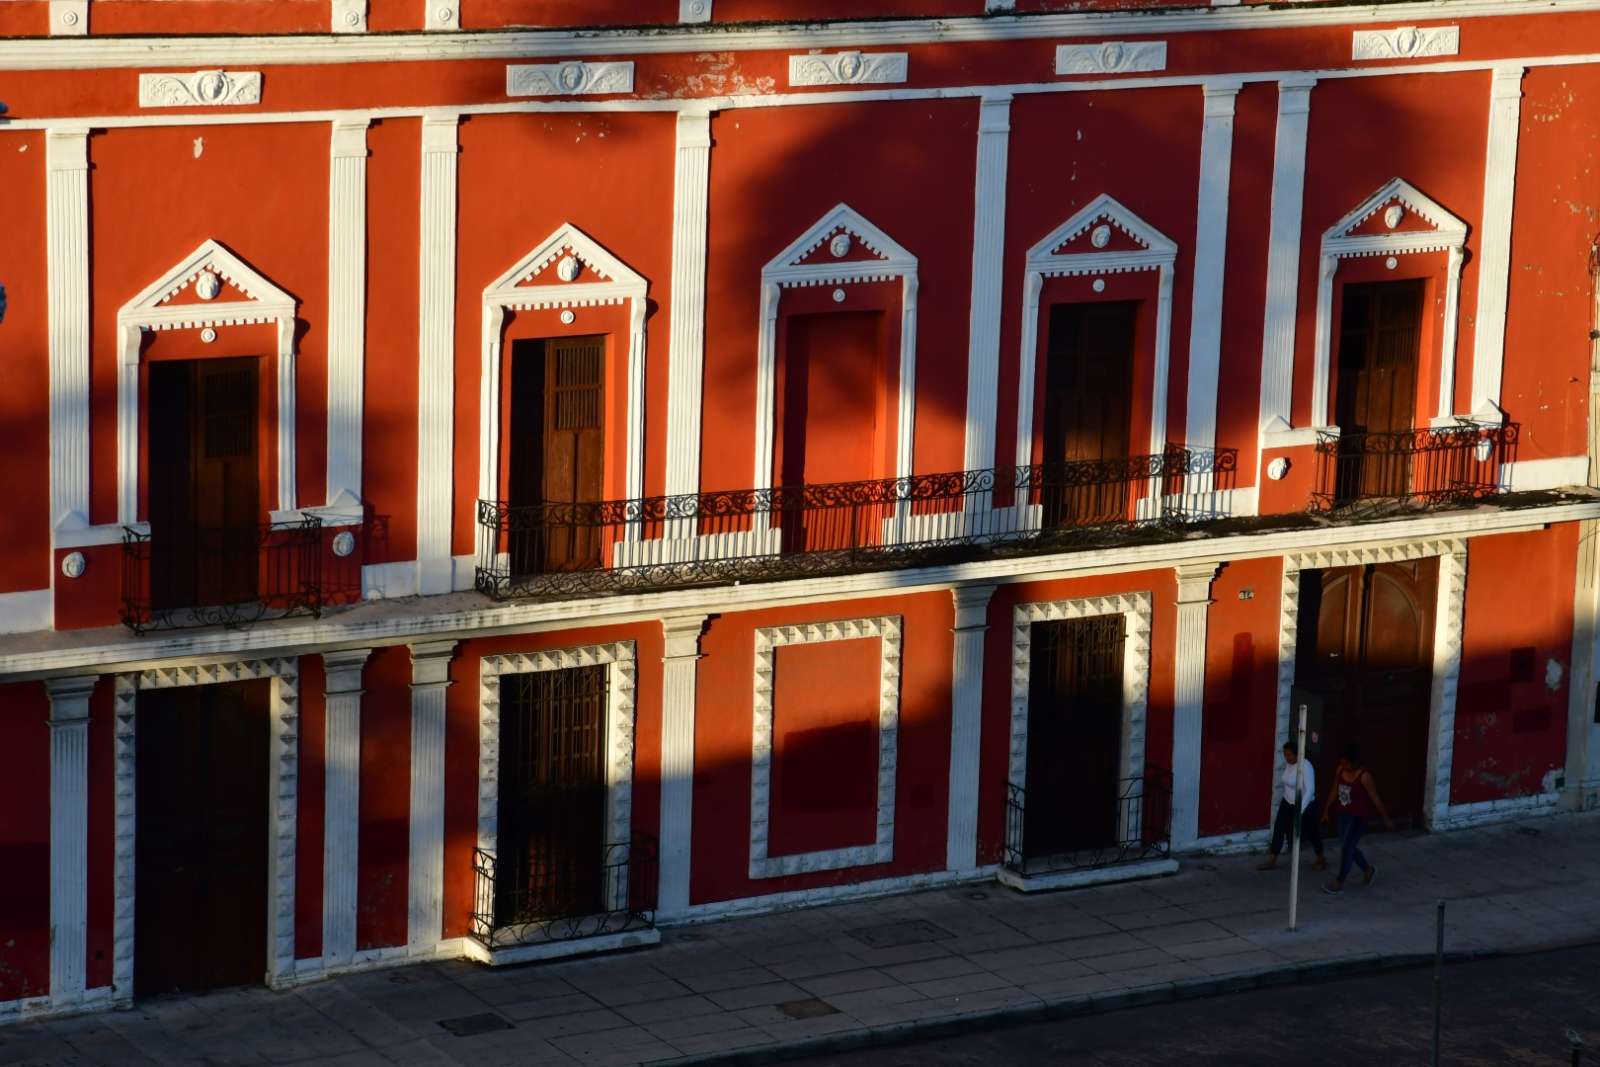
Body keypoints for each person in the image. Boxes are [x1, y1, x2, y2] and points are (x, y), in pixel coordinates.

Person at [1320, 744, 1394, 893]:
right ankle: (1367, 870)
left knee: (1347, 847)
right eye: (1342, 763)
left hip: (1358, 817)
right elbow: (1335, 789)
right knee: (1348, 846)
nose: (1344, 766)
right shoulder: (1340, 770)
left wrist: (1386, 818)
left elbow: (1375, 798)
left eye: (1346, 763)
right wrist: (1327, 809)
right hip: (1342, 814)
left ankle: (1339, 881)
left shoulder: (1364, 777)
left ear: (1354, 762)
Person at [1257, 742, 1325, 871]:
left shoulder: (1306, 766)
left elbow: (1310, 790)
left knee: (1312, 832)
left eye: (1289, 755)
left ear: (1296, 754)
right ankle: (1272, 859)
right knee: (1279, 828)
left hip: (1305, 805)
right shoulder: (1289, 764)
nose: (1287, 758)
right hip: (1287, 802)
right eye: (1285, 754)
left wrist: (1300, 809)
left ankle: (1321, 857)